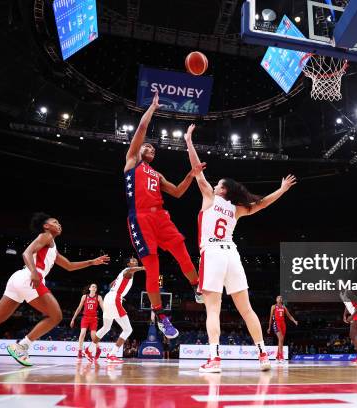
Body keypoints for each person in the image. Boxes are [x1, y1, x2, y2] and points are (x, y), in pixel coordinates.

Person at [184, 125, 296, 373]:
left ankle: (214, 360)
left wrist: (188, 140)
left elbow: (195, 169)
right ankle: (263, 356)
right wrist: (282, 189)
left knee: (213, 309)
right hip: (232, 254)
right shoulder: (237, 209)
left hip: (212, 253)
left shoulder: (210, 198)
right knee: (246, 309)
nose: (213, 185)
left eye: (218, 184)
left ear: (223, 190)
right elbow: (263, 203)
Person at [0, 212, 109, 366]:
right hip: (29, 277)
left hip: (18, 279)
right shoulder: (46, 236)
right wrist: (35, 273)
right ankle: (22, 347)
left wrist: (91, 262)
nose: (59, 224)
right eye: (55, 221)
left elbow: (70, 266)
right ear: (46, 226)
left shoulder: (52, 247)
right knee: (56, 316)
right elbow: (26, 253)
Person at [123, 92, 206, 339]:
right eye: (146, 145)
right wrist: (153, 108)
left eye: (151, 147)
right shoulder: (131, 162)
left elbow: (179, 193)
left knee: (182, 250)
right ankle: (161, 317)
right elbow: (141, 127)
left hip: (160, 216)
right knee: (152, 267)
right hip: (140, 218)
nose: (149, 147)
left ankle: (196, 287)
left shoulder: (156, 175)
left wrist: (191, 174)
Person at [85, 257, 144, 363]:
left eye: (136, 261)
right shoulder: (128, 271)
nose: (135, 262)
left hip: (109, 297)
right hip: (114, 299)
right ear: (128, 264)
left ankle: (89, 350)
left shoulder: (122, 273)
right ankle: (111, 354)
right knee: (128, 329)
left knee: (106, 327)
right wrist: (143, 268)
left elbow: (111, 285)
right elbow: (131, 270)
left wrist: (119, 294)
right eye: (132, 261)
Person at [70, 283, 104, 360]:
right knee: (82, 334)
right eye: (93, 286)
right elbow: (79, 308)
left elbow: (103, 308)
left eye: (95, 287)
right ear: (89, 288)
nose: (94, 287)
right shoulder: (84, 297)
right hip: (85, 318)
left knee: (93, 336)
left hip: (94, 318)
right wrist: (73, 319)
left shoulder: (98, 297)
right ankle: (79, 351)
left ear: (96, 289)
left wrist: (106, 316)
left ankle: (98, 350)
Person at [267, 295, 298, 363]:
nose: (280, 298)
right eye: (278, 297)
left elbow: (289, 316)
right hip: (276, 323)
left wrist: (294, 321)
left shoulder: (284, 307)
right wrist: (269, 327)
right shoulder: (273, 307)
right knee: (280, 339)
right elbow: (270, 318)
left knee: (281, 341)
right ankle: (281, 357)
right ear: (276, 299)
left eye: (281, 298)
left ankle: (278, 357)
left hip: (283, 324)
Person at [340, 289, 357, 364]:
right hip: (353, 312)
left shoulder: (348, 292)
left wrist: (352, 316)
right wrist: (344, 315)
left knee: (355, 333)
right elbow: (347, 305)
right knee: (351, 335)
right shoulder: (341, 294)